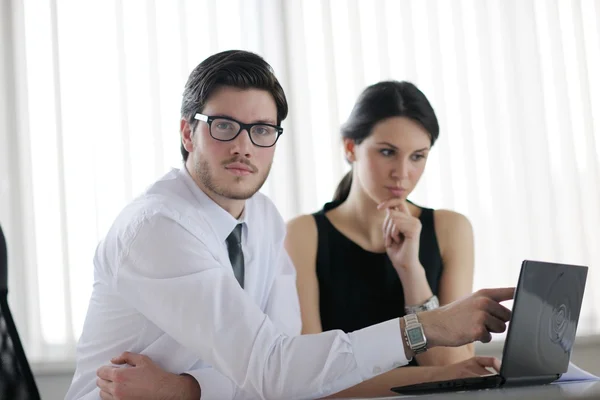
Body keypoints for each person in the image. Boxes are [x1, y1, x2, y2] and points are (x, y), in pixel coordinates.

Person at [66, 50, 513, 400]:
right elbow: (276, 371)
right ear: (188, 133)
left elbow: (286, 373)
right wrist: (428, 326)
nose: (244, 146)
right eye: (224, 126)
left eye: (262, 130)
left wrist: (185, 390)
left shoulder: (262, 218)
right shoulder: (157, 228)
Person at [285, 81, 486, 397]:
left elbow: (454, 367)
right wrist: (436, 377)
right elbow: (311, 379)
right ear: (350, 148)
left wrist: (411, 272)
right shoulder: (302, 235)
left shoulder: (451, 229)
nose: (402, 173)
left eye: (418, 156)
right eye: (387, 152)